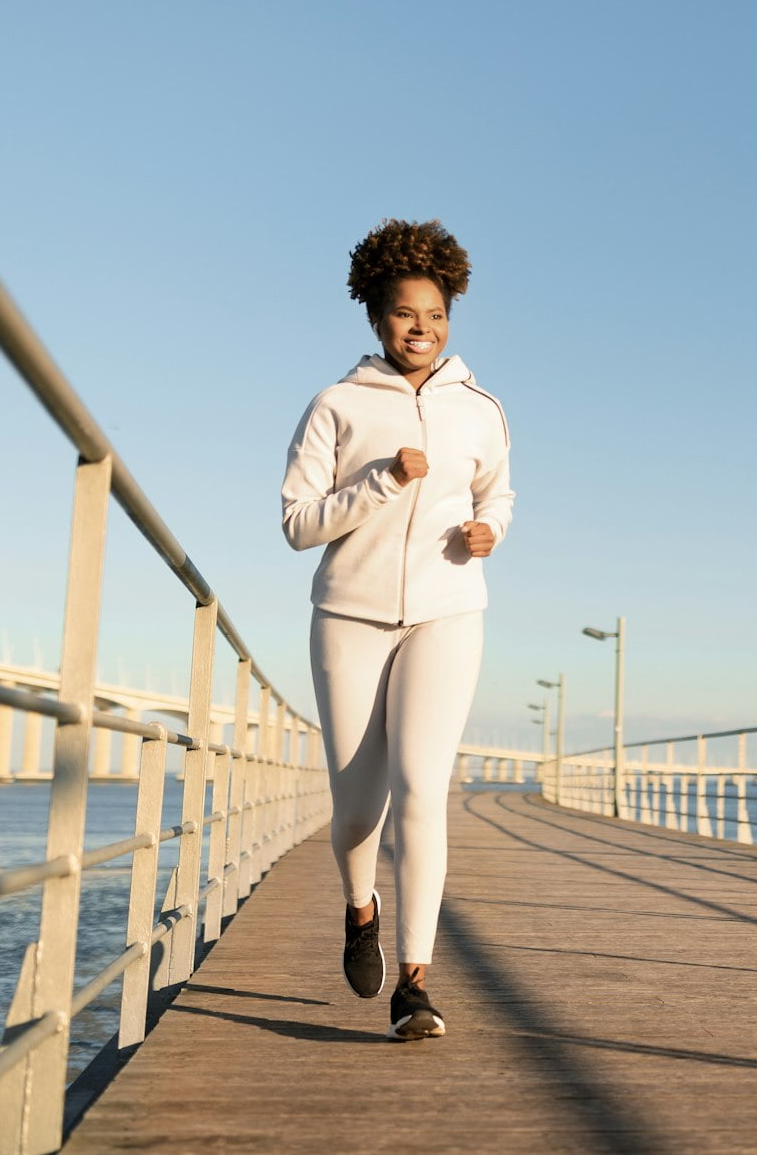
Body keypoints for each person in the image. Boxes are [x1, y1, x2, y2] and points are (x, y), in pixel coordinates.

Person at [280, 218, 512, 1041]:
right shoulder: (336, 405)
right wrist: (379, 481)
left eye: (438, 315)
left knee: (422, 789)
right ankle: (359, 904)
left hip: (448, 613)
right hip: (350, 615)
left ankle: (414, 983)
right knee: (356, 811)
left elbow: (499, 493)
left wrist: (490, 531)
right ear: (377, 316)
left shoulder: (480, 407)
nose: (425, 328)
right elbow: (298, 523)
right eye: (408, 313)